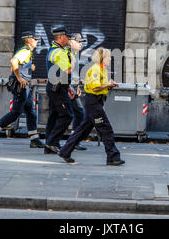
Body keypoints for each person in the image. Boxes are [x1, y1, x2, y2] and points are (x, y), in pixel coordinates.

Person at [58, 47, 125, 166]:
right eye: (108, 57)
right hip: (93, 103)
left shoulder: (102, 69)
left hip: (96, 102)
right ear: (102, 58)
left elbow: (100, 86)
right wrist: (108, 84)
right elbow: (95, 88)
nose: (110, 59)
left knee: (83, 130)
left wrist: (109, 85)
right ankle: (113, 157)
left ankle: (65, 151)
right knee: (106, 128)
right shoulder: (95, 69)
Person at [0, 31, 45, 149]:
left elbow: (17, 65)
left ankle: (34, 139)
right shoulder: (25, 51)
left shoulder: (27, 52)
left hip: (25, 86)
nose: (37, 41)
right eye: (35, 39)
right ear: (29, 40)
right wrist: (19, 78)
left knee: (31, 112)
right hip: (21, 87)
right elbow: (13, 61)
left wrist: (29, 68)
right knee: (15, 113)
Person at [44, 26, 75, 154]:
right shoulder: (60, 52)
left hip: (54, 87)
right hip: (58, 90)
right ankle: (51, 142)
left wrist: (68, 86)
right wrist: (73, 60)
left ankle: (50, 144)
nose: (68, 38)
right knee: (67, 115)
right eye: (67, 36)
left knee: (54, 115)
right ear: (61, 37)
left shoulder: (53, 50)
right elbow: (67, 70)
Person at [68, 33, 87, 151]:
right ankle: (72, 141)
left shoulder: (75, 54)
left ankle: (73, 140)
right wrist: (69, 87)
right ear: (71, 41)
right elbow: (64, 72)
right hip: (68, 88)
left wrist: (78, 85)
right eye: (79, 42)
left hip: (73, 87)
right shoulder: (68, 53)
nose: (81, 44)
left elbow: (74, 73)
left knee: (77, 113)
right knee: (79, 113)